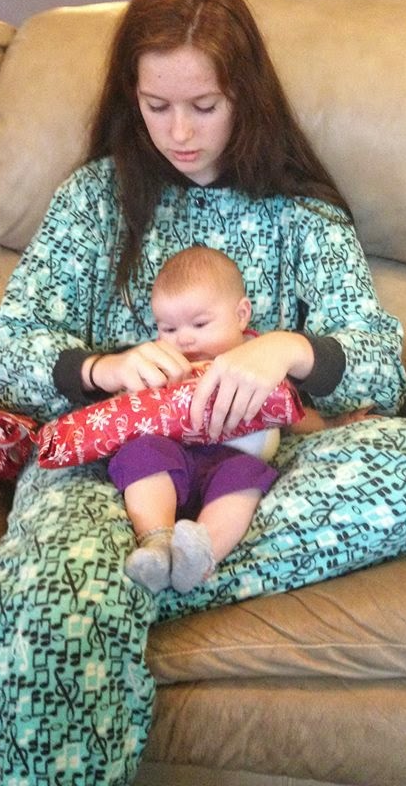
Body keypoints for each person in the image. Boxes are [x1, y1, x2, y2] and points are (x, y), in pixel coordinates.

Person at [0, 0, 406, 786]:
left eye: (204, 105)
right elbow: (12, 349)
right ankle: (120, 572)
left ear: (246, 95)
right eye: (155, 105)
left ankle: (124, 580)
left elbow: (381, 372)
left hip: (259, 466)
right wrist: (100, 367)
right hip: (109, 467)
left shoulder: (302, 215)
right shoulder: (95, 199)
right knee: (56, 592)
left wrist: (288, 350)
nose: (179, 132)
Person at [110, 245, 280, 595]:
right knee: (141, 453)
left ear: (241, 315)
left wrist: (330, 424)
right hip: (175, 459)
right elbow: (132, 408)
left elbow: (289, 411)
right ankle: (156, 543)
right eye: (168, 329)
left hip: (233, 461)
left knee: (247, 476)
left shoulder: (259, 360)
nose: (184, 339)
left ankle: (201, 554)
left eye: (200, 324)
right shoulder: (163, 365)